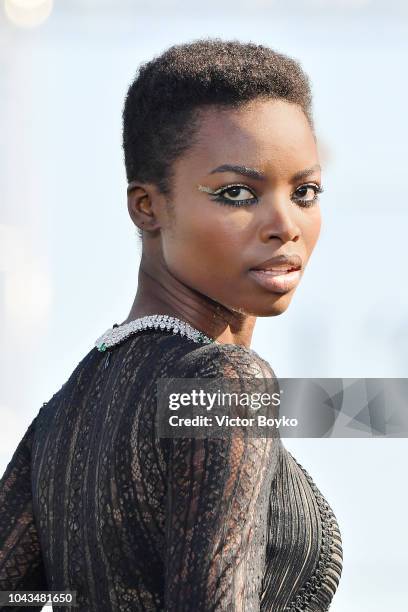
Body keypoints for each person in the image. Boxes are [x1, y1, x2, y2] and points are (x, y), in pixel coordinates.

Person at [0, 39, 343, 611]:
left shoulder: (65, 410)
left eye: (304, 192)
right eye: (238, 193)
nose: (285, 224)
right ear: (147, 207)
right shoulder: (229, 382)